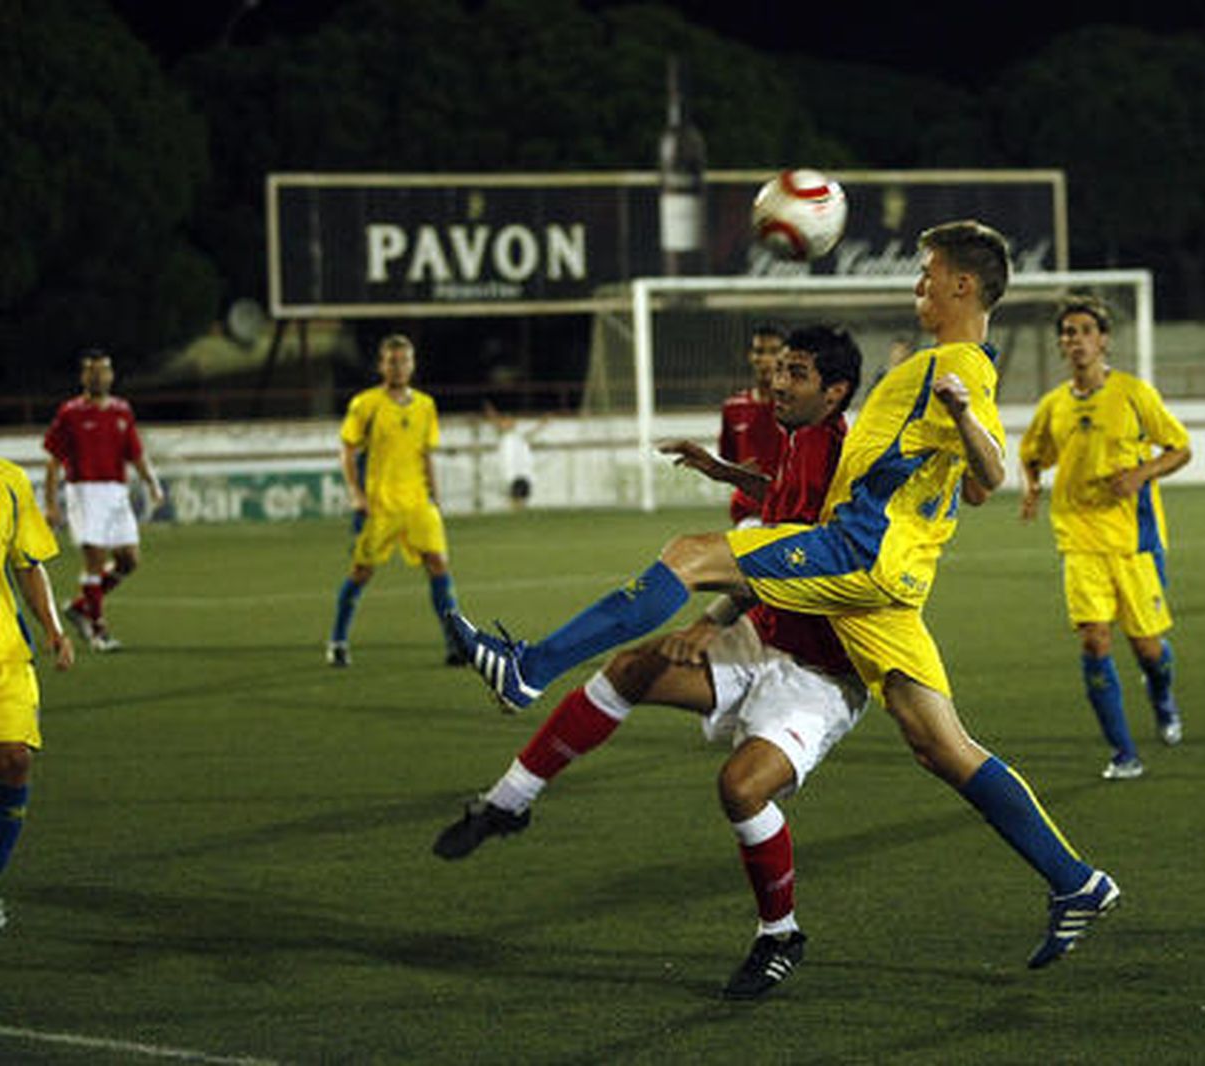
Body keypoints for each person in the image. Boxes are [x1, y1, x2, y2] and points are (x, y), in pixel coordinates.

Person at [450, 221, 1120, 970]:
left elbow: (990, 473)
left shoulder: (957, 365)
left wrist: (966, 415)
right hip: (887, 592)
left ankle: (529, 667)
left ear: (964, 284)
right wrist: (737, 475)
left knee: (689, 555)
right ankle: (1075, 881)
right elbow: (964, 485)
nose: (919, 285)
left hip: (858, 554)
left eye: (928, 272)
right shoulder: (942, 366)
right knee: (940, 745)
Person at [436, 326, 863, 1000]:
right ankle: (508, 801)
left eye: (796, 372)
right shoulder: (799, 438)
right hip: (766, 634)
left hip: (820, 673)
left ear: (835, 392)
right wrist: (725, 472)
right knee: (630, 668)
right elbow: (784, 491)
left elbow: (805, 564)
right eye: (778, 368)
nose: (776, 382)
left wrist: (710, 620)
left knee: (741, 789)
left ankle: (780, 933)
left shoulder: (848, 453)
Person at [1019, 294, 1192, 781]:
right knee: (1095, 643)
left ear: (1103, 340)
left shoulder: (1135, 394)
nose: (1075, 340)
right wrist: (1032, 487)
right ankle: (1123, 753)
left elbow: (1180, 448)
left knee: (1148, 649)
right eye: (1068, 333)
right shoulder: (1053, 406)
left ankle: (1162, 696)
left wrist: (1142, 473)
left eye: (1084, 332)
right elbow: (1033, 453)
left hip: (1134, 543)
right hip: (1078, 541)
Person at [326, 334, 465, 667]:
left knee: (439, 564)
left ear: (412, 365)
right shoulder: (366, 404)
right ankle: (338, 640)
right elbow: (347, 450)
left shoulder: (425, 406)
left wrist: (435, 497)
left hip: (418, 504)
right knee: (361, 571)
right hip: (381, 506)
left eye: (404, 360)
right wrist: (356, 494)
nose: (398, 367)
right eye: (392, 361)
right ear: (381, 365)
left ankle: (455, 643)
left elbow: (426, 455)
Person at [43, 348, 165, 653]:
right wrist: (51, 504)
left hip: (116, 493)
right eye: (92, 371)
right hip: (84, 491)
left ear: (111, 375)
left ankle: (81, 606)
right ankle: (99, 632)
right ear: (83, 376)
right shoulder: (70, 412)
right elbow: (53, 462)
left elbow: (135, 453)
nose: (98, 376)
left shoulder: (122, 411)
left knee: (129, 559)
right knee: (95, 561)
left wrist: (152, 483)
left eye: (103, 370)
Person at [0, 458, 76, 931]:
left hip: (3, 650)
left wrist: (53, 628)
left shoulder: (8, 481)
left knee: (14, 760)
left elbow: (28, 564)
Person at [718, 324, 788, 527]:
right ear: (751, 356)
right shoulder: (733, 407)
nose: (765, 359)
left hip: (790, 514)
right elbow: (729, 460)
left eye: (773, 352)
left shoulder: (799, 409)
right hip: (750, 515)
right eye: (759, 351)